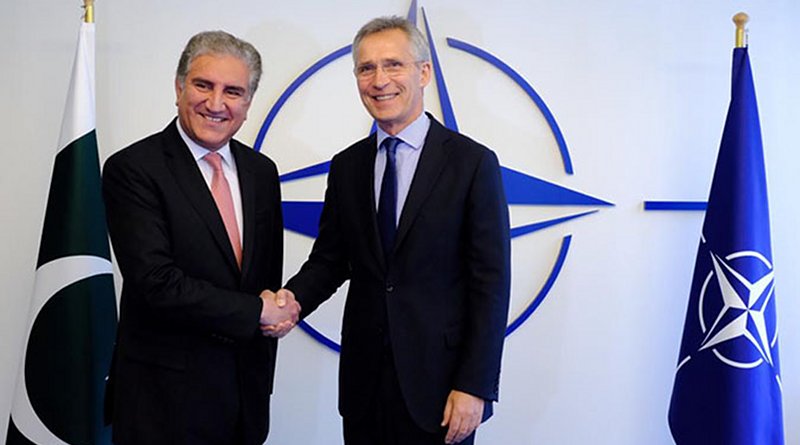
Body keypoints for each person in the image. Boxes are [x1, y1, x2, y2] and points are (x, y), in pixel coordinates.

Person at [273, 16, 510, 445]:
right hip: (365, 387)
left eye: (393, 65)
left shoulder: (473, 164)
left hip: (441, 390)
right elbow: (330, 258)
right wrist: (291, 302)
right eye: (366, 68)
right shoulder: (347, 166)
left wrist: (475, 386)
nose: (379, 80)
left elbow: (490, 284)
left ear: (423, 72)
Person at [102, 30, 299, 445]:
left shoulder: (262, 172)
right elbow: (156, 282)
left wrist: (275, 310)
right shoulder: (133, 169)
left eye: (233, 91)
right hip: (162, 406)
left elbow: (262, 278)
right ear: (178, 87)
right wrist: (257, 312)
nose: (215, 103)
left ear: (247, 103)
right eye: (203, 85)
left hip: (244, 400)